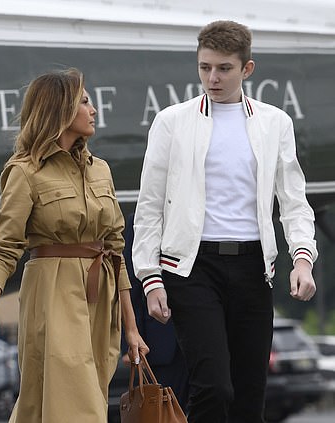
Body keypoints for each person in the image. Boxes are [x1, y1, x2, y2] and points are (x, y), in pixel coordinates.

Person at [132, 20, 318, 423]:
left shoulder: (275, 123)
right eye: (204, 67)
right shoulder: (171, 122)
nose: (212, 78)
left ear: (246, 69)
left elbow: (294, 200)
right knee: (214, 387)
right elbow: (149, 207)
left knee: (251, 395)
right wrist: (150, 278)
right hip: (191, 268)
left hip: (254, 268)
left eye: (223, 69)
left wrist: (302, 258)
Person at [0, 68, 149, 423]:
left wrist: (132, 328)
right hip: (52, 293)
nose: (94, 110)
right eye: (85, 101)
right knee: (78, 407)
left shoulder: (101, 169)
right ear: (60, 110)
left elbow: (116, 251)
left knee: (48, 407)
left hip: (101, 296)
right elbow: (5, 247)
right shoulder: (24, 171)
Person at [121, 213, 189, 411]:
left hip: (204, 337)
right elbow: (130, 287)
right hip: (158, 344)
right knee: (160, 412)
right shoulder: (142, 220)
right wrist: (131, 337)